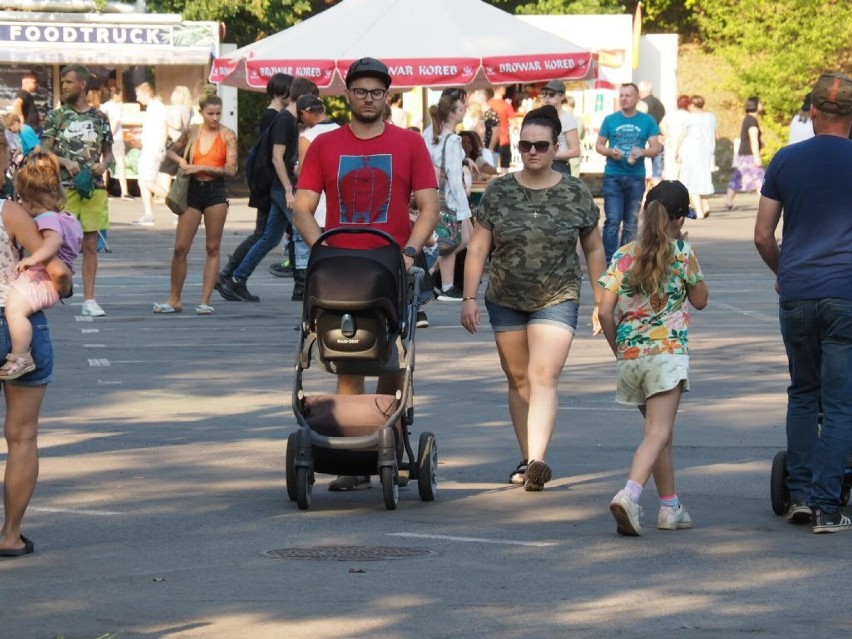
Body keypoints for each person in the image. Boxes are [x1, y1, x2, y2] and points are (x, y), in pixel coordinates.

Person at [294, 56, 439, 492]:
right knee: (349, 352)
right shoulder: (326, 146)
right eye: (361, 91)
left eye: (377, 92)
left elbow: (429, 207)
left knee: (392, 357)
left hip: (391, 264)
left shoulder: (409, 144)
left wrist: (410, 252)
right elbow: (302, 207)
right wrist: (323, 248)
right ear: (348, 95)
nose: (369, 99)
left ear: (387, 96)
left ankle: (387, 442)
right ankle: (353, 455)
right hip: (341, 268)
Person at [460, 105, 606, 491]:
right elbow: (477, 249)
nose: (532, 152)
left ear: (556, 147)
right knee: (519, 377)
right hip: (505, 296)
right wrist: (468, 297)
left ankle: (539, 460)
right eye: (525, 146)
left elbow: (593, 249)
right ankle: (527, 458)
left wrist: (601, 300)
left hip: (558, 295)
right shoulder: (499, 191)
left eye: (541, 146)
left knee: (544, 375)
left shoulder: (575, 192)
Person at [754, 71, 852, 534]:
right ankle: (827, 507)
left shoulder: (786, 160)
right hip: (845, 296)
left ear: (813, 112)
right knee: (839, 403)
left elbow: (762, 236)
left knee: (802, 392)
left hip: (796, 293)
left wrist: (784, 274)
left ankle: (796, 493)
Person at [598, 180, 708, 536]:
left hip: (631, 356)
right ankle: (629, 494)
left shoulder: (623, 254)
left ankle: (670, 507)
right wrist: (686, 250)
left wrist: (620, 351)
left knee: (659, 435)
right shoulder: (682, 252)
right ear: (678, 219)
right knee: (659, 431)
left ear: (645, 211)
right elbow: (701, 299)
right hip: (667, 354)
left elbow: (604, 312)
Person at [217, 77, 315, 303]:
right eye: (309, 101)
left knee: (270, 237)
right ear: (300, 99)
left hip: (281, 187)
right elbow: (277, 157)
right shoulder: (284, 120)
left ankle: (236, 279)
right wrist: (290, 189)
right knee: (302, 231)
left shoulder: (290, 120)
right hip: (282, 188)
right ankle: (304, 285)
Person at [0, 191, 56, 559]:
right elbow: (58, 268)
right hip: (13, 320)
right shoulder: (7, 211)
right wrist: (60, 288)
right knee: (22, 437)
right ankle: (10, 536)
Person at [153, 88, 237, 315]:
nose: (215, 118)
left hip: (215, 192)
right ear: (201, 113)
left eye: (218, 113)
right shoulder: (192, 131)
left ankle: (205, 300)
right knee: (181, 247)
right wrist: (182, 160)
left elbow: (231, 169)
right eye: (210, 113)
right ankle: (174, 299)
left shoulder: (227, 135)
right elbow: (169, 152)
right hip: (192, 191)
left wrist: (199, 167)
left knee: (212, 247)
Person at [41, 63, 113, 318]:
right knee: (60, 243)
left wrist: (103, 165)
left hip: (94, 189)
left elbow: (109, 153)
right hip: (63, 190)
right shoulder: (57, 116)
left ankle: (90, 299)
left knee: (91, 245)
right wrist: (65, 162)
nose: (65, 87)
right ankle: (57, 289)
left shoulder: (100, 118)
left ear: (82, 84)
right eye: (63, 83)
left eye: (69, 82)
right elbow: (44, 151)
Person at [1, 152, 81, 380]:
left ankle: (21, 355)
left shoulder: (47, 218)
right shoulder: (67, 217)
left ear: (32, 201)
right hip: (53, 281)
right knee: (23, 418)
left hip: (41, 277)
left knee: (14, 310)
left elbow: (53, 243)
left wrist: (34, 258)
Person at [595, 82, 662, 264]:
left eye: (628, 95)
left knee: (631, 222)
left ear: (637, 98)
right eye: (621, 95)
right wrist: (610, 151)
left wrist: (643, 152)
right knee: (612, 221)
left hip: (636, 175)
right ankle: (609, 261)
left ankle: (627, 260)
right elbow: (599, 145)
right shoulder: (610, 120)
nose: (623, 99)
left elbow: (655, 147)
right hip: (613, 175)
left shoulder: (647, 121)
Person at [425, 89, 473, 302]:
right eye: (461, 109)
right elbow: (454, 178)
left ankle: (437, 277)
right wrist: (464, 208)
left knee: (459, 240)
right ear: (452, 114)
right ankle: (444, 284)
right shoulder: (452, 140)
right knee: (455, 241)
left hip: (441, 197)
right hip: (451, 200)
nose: (465, 111)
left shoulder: (436, 135)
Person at [676, 95, 718, 219]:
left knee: (691, 180)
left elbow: (682, 135)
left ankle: (699, 210)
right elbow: (715, 133)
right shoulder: (711, 117)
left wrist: (677, 150)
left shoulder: (690, 118)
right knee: (704, 177)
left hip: (692, 151)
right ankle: (705, 205)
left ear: (692, 105)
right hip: (707, 151)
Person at [132, 83, 168, 226]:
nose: (137, 98)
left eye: (139, 95)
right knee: (143, 181)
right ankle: (148, 214)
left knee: (147, 181)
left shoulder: (158, 108)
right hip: (148, 148)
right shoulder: (152, 108)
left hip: (154, 148)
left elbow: (163, 129)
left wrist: (161, 148)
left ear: (147, 94)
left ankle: (177, 204)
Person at [724, 96, 764, 210]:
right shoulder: (751, 120)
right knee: (760, 178)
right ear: (755, 105)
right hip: (749, 155)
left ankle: (728, 201)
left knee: (738, 177)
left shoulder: (748, 119)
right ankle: (765, 203)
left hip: (744, 154)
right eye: (760, 103)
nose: (761, 105)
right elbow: (753, 138)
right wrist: (757, 156)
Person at [538, 79, 581, 176]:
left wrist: (552, 155)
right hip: (543, 165)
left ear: (562, 96)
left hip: (559, 166)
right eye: (545, 94)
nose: (547, 98)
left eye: (552, 94)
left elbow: (576, 151)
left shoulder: (567, 118)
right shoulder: (541, 116)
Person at [101, 87, 131, 200]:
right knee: (120, 164)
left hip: (105, 139)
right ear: (116, 95)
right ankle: (125, 191)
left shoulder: (104, 106)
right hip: (116, 138)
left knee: (104, 164)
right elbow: (116, 123)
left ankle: (103, 189)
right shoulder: (117, 107)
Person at [660, 95, 691, 181]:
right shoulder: (690, 117)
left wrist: (668, 136)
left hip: (670, 144)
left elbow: (662, 125)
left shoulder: (671, 115)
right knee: (684, 171)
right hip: (685, 145)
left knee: (670, 170)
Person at [488, 85, 517, 171]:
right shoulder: (506, 105)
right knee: (505, 168)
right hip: (504, 139)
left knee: (491, 167)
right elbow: (514, 123)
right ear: (501, 89)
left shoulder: (488, 104)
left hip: (492, 140)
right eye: (503, 87)